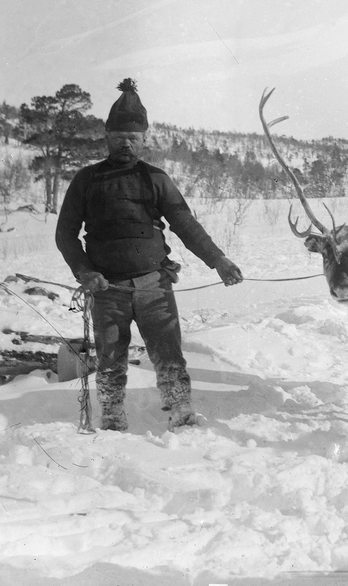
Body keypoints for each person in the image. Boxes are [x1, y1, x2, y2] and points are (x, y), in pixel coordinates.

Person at [56, 78, 244, 431]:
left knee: (169, 355)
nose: (126, 143)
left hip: (154, 286)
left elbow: (186, 225)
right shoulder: (86, 180)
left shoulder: (156, 179)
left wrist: (218, 260)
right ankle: (112, 418)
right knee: (110, 359)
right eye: (118, 137)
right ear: (107, 137)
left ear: (144, 139)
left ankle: (182, 414)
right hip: (107, 290)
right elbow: (65, 235)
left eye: (133, 137)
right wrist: (85, 272)